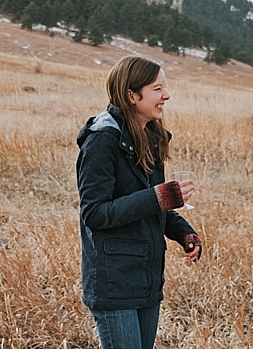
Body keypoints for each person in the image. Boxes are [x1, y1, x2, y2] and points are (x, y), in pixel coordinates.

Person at [77, 55, 202, 349]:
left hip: (146, 278)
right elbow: (94, 213)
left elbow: (153, 204)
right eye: (158, 89)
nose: (166, 96)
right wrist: (159, 196)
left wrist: (183, 232)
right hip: (114, 281)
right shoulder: (102, 141)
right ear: (132, 95)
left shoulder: (150, 136)